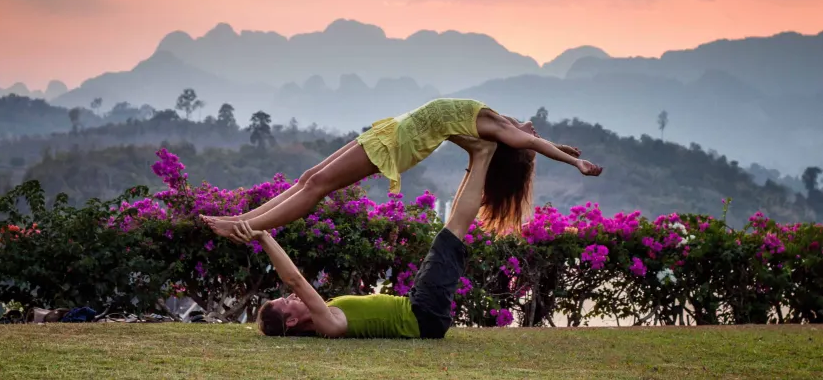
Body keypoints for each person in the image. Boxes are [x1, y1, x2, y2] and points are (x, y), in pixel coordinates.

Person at [203, 98, 602, 241]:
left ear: (517, 145)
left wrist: (574, 162)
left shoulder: (504, 132)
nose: (535, 131)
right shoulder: (503, 123)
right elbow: (535, 141)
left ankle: (245, 228)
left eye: (533, 140)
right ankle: (241, 220)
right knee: (310, 177)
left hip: (398, 145)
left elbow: (532, 143)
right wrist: (563, 148)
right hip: (392, 131)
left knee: (319, 185)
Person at [236, 136, 508, 338]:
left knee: (449, 232)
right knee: (452, 233)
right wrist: (263, 235)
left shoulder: (328, 315)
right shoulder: (329, 324)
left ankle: (478, 157)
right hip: (423, 314)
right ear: (291, 322)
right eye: (286, 302)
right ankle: (483, 154)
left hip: (419, 307)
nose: (291, 296)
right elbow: (294, 279)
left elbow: (294, 283)